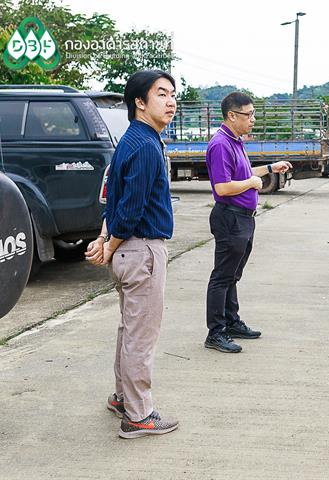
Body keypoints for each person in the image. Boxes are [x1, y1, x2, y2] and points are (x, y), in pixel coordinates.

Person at [85, 69, 179, 438]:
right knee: (141, 336)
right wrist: (109, 245)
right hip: (141, 252)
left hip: (129, 252)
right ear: (139, 102)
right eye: (161, 94)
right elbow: (130, 210)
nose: (170, 101)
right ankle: (139, 415)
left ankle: (123, 398)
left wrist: (103, 239)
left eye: (173, 94)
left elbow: (114, 198)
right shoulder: (145, 146)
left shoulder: (131, 140)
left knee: (130, 330)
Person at [203, 92, 292, 353]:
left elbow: (245, 174)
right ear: (232, 115)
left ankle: (231, 322)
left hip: (243, 219)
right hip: (230, 217)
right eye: (248, 114)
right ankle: (215, 332)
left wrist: (270, 168)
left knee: (232, 275)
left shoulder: (236, 141)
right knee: (222, 276)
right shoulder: (220, 143)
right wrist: (252, 184)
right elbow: (222, 187)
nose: (252, 119)